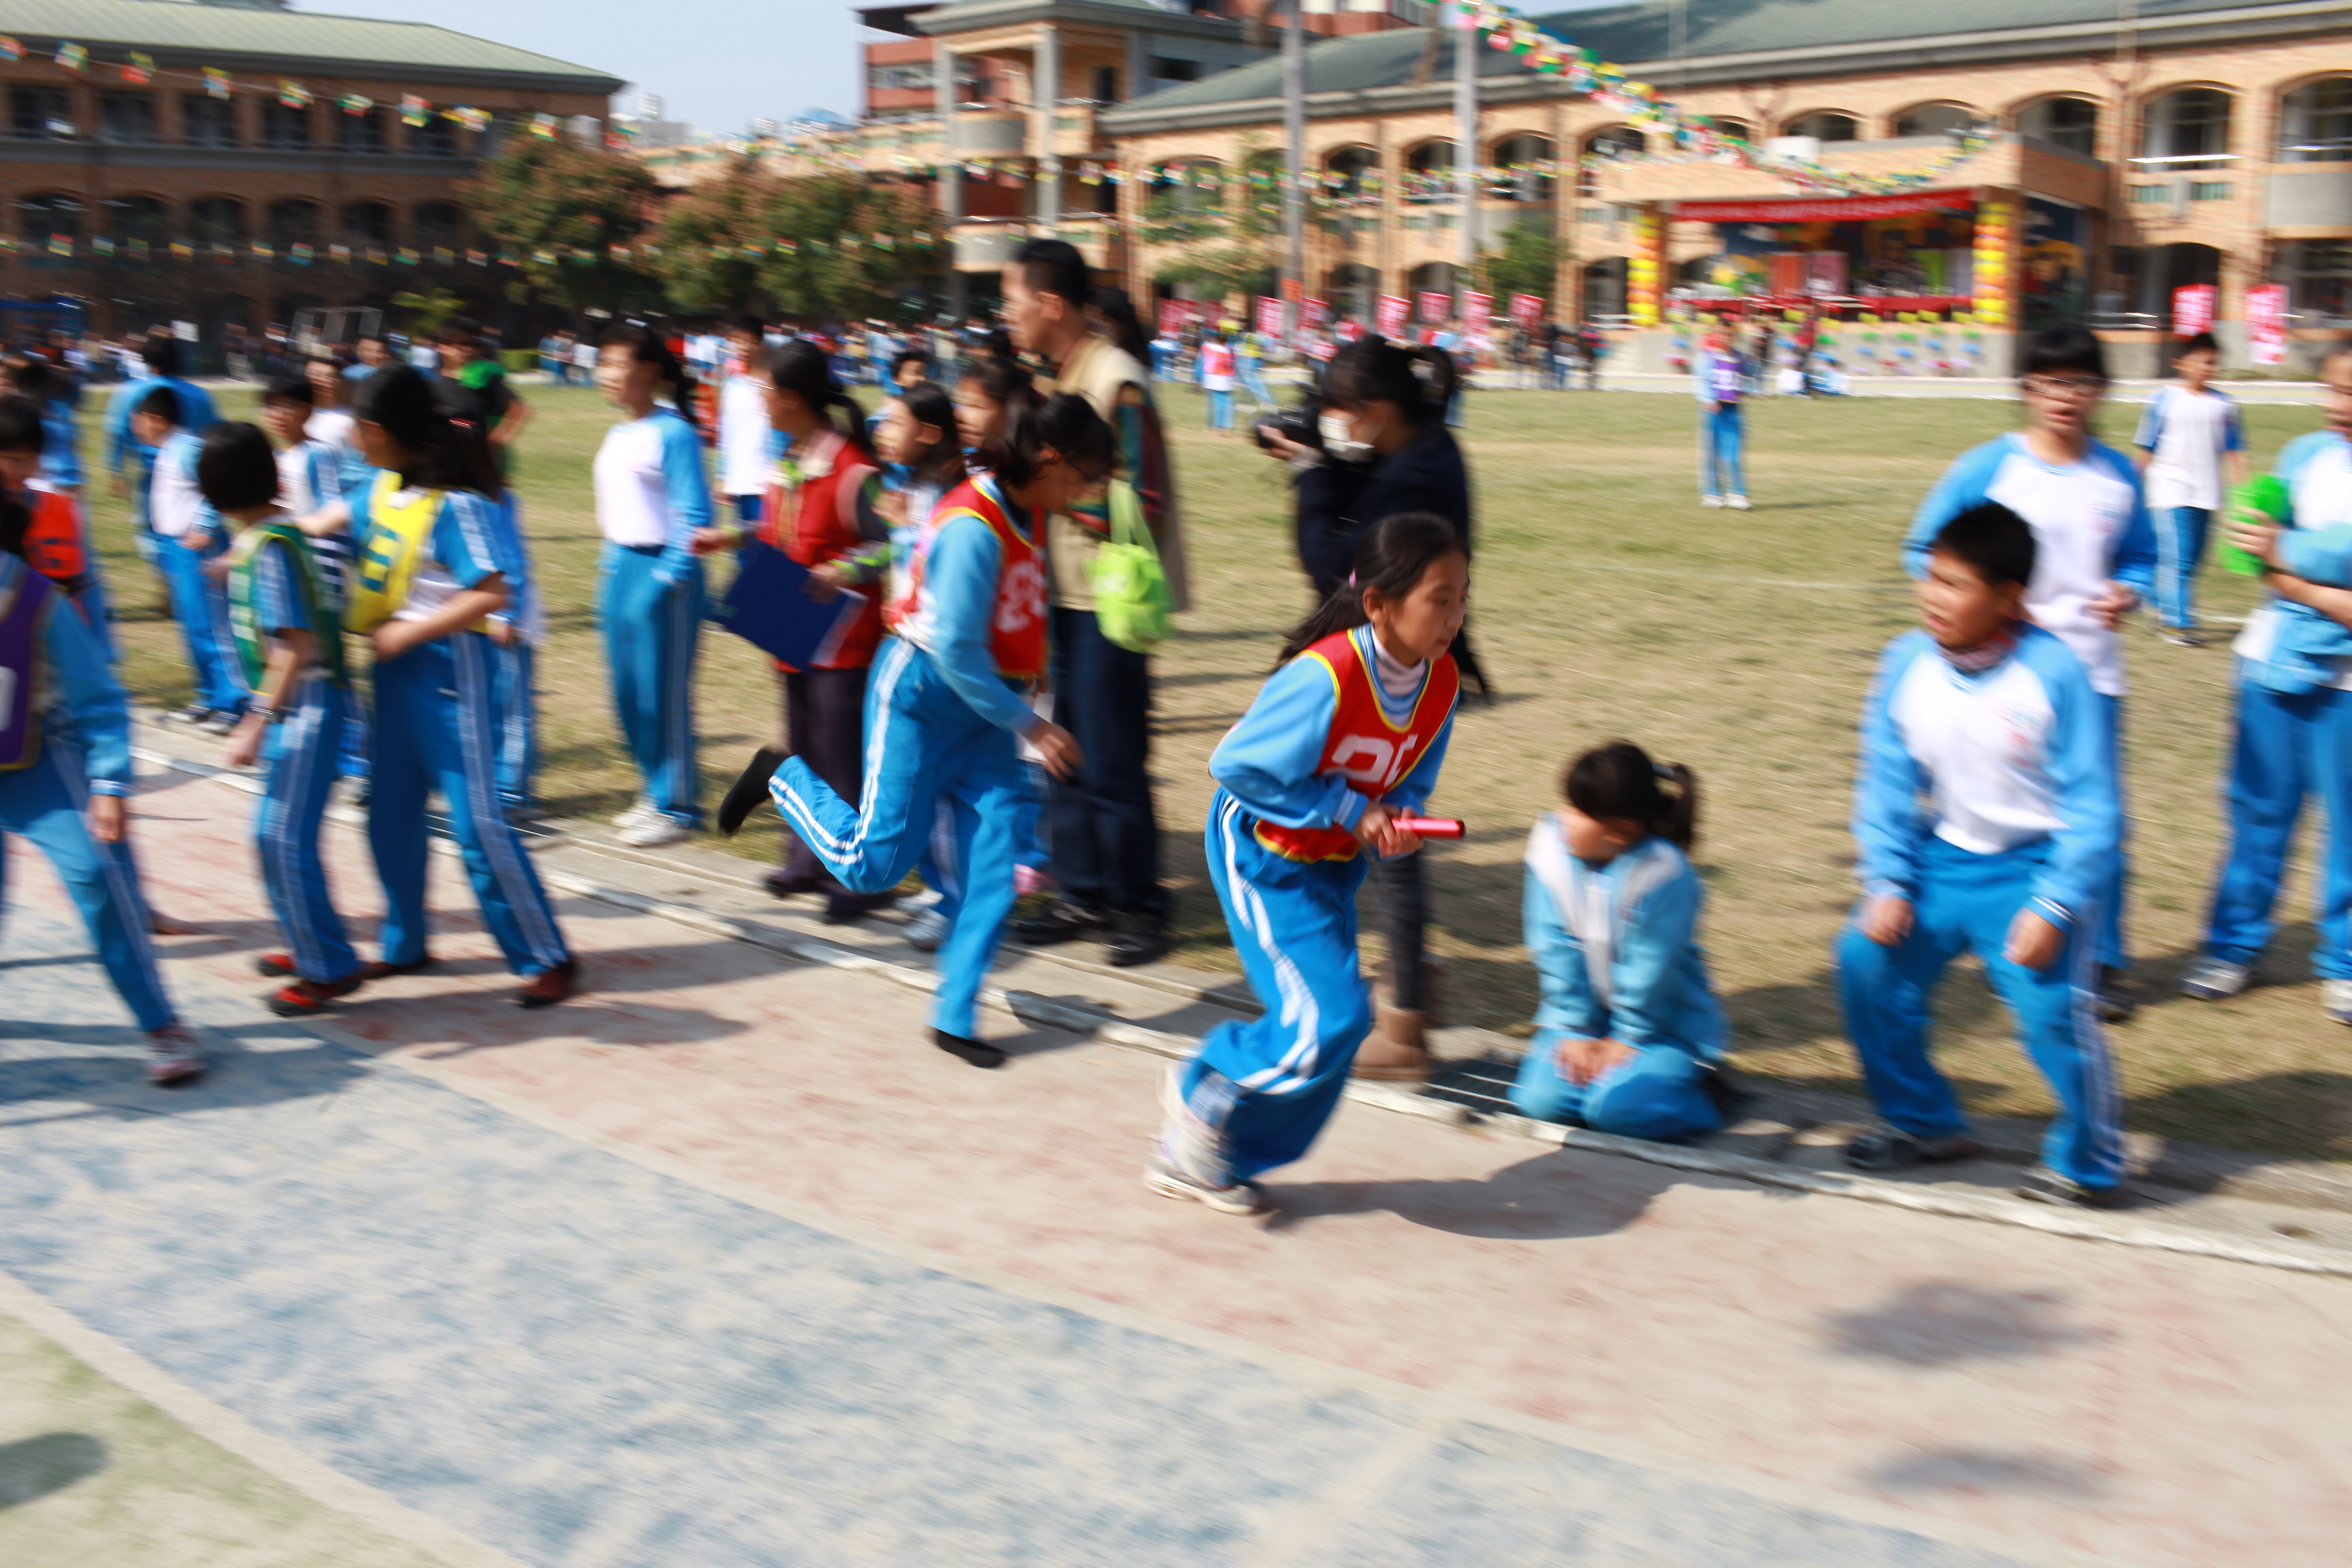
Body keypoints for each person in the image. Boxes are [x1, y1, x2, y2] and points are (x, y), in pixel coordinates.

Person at [765, 393, 1102, 1066]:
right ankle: (779, 776)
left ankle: (955, 1017)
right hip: (921, 699)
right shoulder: (973, 526)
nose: (1088, 492)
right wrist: (1034, 727)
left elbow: (1022, 611)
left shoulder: (1033, 510)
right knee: (873, 867)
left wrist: (1033, 688)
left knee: (995, 871)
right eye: (1084, 476)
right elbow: (956, 653)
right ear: (1049, 458)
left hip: (988, 713)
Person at [1146, 512, 1465, 1211]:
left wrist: (1401, 819)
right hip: (1261, 852)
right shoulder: (1326, 675)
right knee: (1324, 1019)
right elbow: (1234, 766)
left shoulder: (1442, 683)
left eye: (1461, 599)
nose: (1454, 618)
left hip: (1330, 862)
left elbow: (1410, 777)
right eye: (1439, 600)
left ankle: (1210, 1152)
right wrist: (1351, 809)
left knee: (1342, 1029)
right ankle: (1203, 1087)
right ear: (1379, 604)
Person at [1838, 501, 2125, 1209]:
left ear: (2008, 598)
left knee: (2051, 1013)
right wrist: (1887, 880)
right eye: (1930, 577)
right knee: (1865, 962)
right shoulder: (1906, 662)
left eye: (1955, 585)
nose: (1932, 597)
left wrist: (2055, 905)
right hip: (1942, 859)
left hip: (2035, 869)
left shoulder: (2054, 673)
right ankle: (1923, 1123)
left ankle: (2090, 1163)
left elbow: (2095, 810)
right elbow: (1886, 783)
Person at [1903, 324, 2153, 1021]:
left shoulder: (2118, 475)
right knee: (2009, 817)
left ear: (2101, 390)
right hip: (2003, 678)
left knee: (2097, 820)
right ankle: (2008, 942)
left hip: (2092, 678)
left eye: (2081, 382)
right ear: (2026, 389)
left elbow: (2142, 556)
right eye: (2050, 382)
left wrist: (2129, 590)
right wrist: (1985, 608)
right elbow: (1922, 548)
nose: (2065, 396)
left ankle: (2098, 960)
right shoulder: (1988, 468)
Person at [1265, 336, 1485, 1074]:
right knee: (1387, 825)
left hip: (1395, 666)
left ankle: (1405, 1026)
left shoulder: (1416, 472)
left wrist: (1310, 473)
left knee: (1388, 830)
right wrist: (1327, 461)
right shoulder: (1420, 452)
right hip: (1394, 661)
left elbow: (1337, 564)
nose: (1334, 424)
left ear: (1377, 409)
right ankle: (1410, 989)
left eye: (1339, 412)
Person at [344, 365, 578, 1005]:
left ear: (377, 430)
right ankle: (405, 942)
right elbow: (328, 526)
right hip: (391, 677)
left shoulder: (458, 503)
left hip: (451, 676)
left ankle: (546, 954)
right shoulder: (379, 488)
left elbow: (493, 591)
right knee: (388, 817)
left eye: (357, 427)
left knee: (476, 826)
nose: (352, 438)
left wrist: (412, 632)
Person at [999, 238, 1189, 966]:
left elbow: (1149, 500)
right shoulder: (1052, 380)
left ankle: (1138, 903)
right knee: (1058, 748)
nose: (1007, 315)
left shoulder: (1117, 381)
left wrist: (1062, 495)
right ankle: (1080, 889)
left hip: (1107, 600)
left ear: (1051, 304)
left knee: (1113, 756)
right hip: (1056, 596)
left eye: (1013, 301)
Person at [0, 483, 203, 1083]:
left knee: (96, 874)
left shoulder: (34, 597)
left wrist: (109, 782)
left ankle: (161, 1023)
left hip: (39, 765)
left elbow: (100, 698)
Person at [2181, 347, 2352, 1018]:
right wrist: (2305, 572)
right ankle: (2231, 947)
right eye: (2334, 389)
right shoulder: (2304, 454)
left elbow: (2290, 552)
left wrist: (2292, 555)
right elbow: (2247, 546)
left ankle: (2344, 961)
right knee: (2256, 812)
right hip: (2273, 662)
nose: (2340, 406)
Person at [705, 340, 892, 917]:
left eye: (764, 390)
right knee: (804, 749)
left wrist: (843, 570)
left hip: (842, 639)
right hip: (794, 632)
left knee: (841, 758)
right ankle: (807, 858)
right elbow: (779, 532)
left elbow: (892, 544)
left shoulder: (852, 468)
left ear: (790, 397)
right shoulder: (789, 459)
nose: (759, 400)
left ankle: (855, 878)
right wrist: (732, 536)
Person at [195, 422, 366, 1018]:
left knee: (282, 837)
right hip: (298, 706)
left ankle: (329, 967)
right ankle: (308, 941)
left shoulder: (269, 549)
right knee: (275, 836)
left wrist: (256, 721)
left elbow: (296, 645)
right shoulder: (268, 537)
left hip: (307, 706)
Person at [1508, 741, 1732, 1142]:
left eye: (1580, 812)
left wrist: (1626, 1038)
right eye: (1568, 804)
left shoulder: (1664, 874)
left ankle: (1700, 1093)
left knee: (1614, 1112)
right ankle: (1620, 1084)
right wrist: (1575, 1030)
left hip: (1660, 1029)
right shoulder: (1551, 851)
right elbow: (1551, 946)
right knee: (1540, 1103)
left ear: (1619, 831)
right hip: (1582, 1021)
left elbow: (1650, 970)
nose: (1564, 818)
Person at [591, 325, 710, 847]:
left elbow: (695, 518)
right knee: (627, 695)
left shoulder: (675, 433)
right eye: (603, 364)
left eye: (619, 364)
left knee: (663, 695)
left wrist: (665, 579)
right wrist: (610, 569)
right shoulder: (620, 432)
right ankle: (653, 788)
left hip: (666, 575)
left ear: (651, 371)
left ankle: (678, 807)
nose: (608, 374)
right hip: (620, 567)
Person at [136, 386, 247, 732]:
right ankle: (208, 696)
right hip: (175, 549)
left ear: (156, 419)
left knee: (212, 625)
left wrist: (207, 525)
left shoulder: (187, 448)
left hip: (199, 548)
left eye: (138, 420)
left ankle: (234, 703)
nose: (136, 428)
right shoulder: (167, 451)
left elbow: (219, 484)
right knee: (192, 626)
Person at [2132, 331, 2248, 646]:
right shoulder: (2163, 399)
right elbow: (2147, 445)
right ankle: (2176, 624)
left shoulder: (2224, 405)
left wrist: (2245, 493)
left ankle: (2153, 596)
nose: (2205, 368)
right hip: (2169, 491)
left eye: (2211, 363)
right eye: (2199, 361)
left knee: (2192, 561)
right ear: (2181, 363)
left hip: (2207, 495)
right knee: (2179, 560)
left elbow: (2234, 450)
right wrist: (2131, 482)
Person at [716, 314, 780, 532]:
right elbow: (725, 433)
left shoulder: (771, 387)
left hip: (767, 483)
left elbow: (780, 431)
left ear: (761, 344)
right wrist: (723, 476)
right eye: (737, 341)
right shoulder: (731, 385)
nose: (744, 347)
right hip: (740, 482)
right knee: (744, 543)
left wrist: (777, 474)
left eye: (751, 341)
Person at [1694, 332, 1750, 510]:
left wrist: (1748, 390)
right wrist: (1708, 400)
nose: (1724, 338)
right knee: (1711, 451)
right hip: (1714, 409)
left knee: (1733, 452)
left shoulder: (1740, 357)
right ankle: (1712, 493)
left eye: (1728, 334)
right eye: (1720, 334)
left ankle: (1737, 493)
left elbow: (1748, 377)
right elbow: (1701, 381)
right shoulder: (1707, 357)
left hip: (1733, 409)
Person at [1200, 329, 1236, 433]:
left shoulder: (1208, 347)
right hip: (1225, 380)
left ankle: (1210, 426)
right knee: (1223, 403)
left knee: (1210, 403)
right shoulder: (1230, 350)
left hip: (1211, 378)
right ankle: (1221, 426)